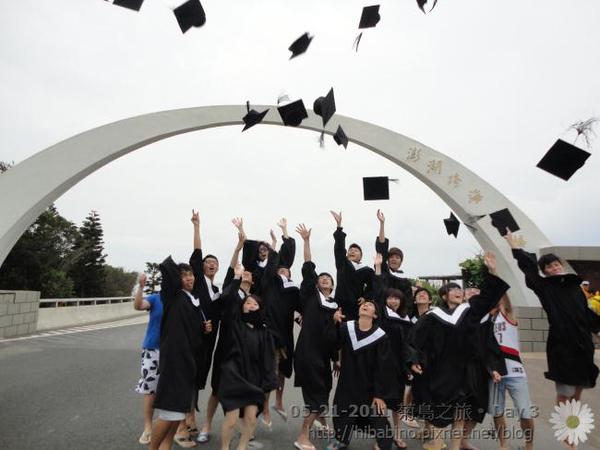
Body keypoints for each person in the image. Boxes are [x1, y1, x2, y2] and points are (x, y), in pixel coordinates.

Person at [408, 252, 509, 450]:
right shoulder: (432, 316)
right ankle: (437, 444)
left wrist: (492, 271)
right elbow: (414, 339)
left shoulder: (469, 311)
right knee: (439, 410)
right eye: (453, 289)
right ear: (444, 296)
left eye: (459, 289)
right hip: (440, 370)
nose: (458, 291)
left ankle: (455, 447)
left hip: (464, 370)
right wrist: (413, 359)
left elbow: (488, 298)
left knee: (460, 412)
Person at [504, 230, 600, 411]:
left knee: (580, 385)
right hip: (562, 345)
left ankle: (573, 422)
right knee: (565, 390)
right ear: (545, 272)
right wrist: (514, 247)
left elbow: (585, 314)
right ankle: (565, 428)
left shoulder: (575, 287)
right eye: (549, 267)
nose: (554, 267)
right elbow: (529, 269)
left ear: (561, 265)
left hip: (583, 344)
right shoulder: (544, 287)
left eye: (556, 264)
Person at [150, 211, 212, 450]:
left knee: (176, 416)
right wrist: (196, 227)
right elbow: (195, 258)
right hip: (174, 363)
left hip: (188, 364)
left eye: (191, 275)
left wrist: (203, 327)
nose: (189, 278)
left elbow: (191, 331)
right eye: (183, 275)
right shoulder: (173, 296)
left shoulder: (192, 301)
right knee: (168, 414)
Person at [217, 263, 278, 450]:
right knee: (232, 418)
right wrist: (236, 278)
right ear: (241, 307)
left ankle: (242, 447)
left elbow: (268, 360)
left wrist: (269, 382)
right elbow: (227, 299)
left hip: (254, 378)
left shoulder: (264, 332)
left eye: (255, 303)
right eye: (247, 303)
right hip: (234, 375)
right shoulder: (234, 324)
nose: (251, 305)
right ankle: (225, 448)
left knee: (251, 418)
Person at [198, 218, 247, 444]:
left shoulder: (252, 300)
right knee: (217, 390)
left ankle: (242, 428)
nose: (243, 274)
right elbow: (231, 269)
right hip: (224, 346)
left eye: (246, 274)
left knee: (240, 391)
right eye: (209, 262)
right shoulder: (227, 290)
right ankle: (206, 425)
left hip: (242, 350)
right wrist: (238, 245)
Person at [326, 299, 398, 450]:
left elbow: (383, 367)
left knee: (377, 415)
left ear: (375, 315)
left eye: (370, 305)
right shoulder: (347, 328)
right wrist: (334, 323)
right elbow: (332, 343)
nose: (365, 305)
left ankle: (384, 443)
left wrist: (379, 395)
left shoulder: (380, 337)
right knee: (342, 411)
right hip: (348, 382)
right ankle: (341, 440)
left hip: (370, 386)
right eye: (363, 304)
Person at [293, 223, 339, 450]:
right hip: (308, 353)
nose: (324, 279)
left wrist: (337, 358)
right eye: (321, 278)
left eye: (328, 278)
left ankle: (321, 421)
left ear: (333, 285)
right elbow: (308, 267)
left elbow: (333, 336)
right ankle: (303, 436)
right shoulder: (312, 298)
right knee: (317, 396)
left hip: (323, 357)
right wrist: (306, 241)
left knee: (325, 388)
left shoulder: (335, 307)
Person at [258, 218, 300, 425]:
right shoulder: (270, 283)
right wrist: (278, 242)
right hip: (270, 333)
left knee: (283, 369)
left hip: (286, 334)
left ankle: (279, 401)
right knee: (271, 371)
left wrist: (303, 316)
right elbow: (276, 262)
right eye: (280, 270)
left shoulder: (293, 290)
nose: (283, 271)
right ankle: (265, 407)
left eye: (287, 271)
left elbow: (304, 309)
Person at [488, 294, 535, 450]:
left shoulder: (506, 313)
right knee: (497, 411)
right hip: (494, 373)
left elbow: (505, 297)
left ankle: (529, 444)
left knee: (525, 412)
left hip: (515, 372)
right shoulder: (485, 320)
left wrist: (495, 273)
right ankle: (503, 445)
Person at [374, 253, 410, 449]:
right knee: (380, 402)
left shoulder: (405, 319)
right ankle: (380, 438)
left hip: (398, 367)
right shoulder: (383, 314)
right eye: (391, 298)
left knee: (396, 404)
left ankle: (396, 434)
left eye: (397, 299)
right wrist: (379, 269)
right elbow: (379, 291)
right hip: (381, 363)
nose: (394, 301)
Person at [133, 273, 163, 445]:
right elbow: (138, 305)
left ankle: (166, 425)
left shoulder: (180, 299)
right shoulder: (155, 298)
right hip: (152, 349)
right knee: (150, 390)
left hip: (172, 351)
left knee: (170, 389)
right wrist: (141, 287)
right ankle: (148, 427)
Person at [331, 210, 374, 321]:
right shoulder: (343, 263)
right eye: (350, 250)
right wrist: (339, 226)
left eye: (356, 250)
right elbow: (339, 249)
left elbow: (372, 286)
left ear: (361, 256)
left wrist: (366, 297)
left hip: (356, 305)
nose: (352, 251)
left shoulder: (367, 270)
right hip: (339, 304)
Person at [374, 209, 413, 313]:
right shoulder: (384, 270)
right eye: (391, 257)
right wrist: (382, 224)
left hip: (399, 315)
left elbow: (408, 302)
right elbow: (381, 248)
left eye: (397, 257)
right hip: (381, 312)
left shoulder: (405, 281)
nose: (394, 259)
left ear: (401, 261)